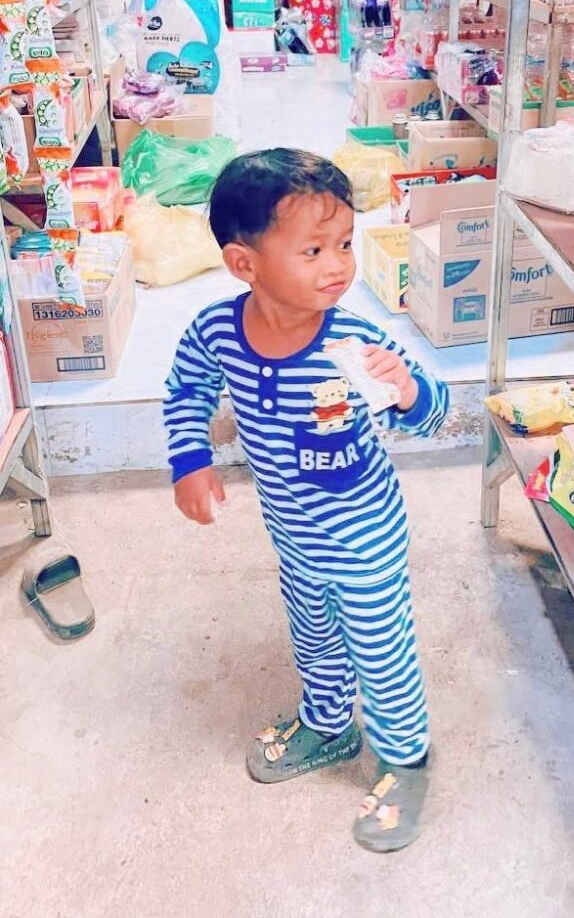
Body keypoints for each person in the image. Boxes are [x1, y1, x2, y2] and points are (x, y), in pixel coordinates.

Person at [163, 148, 450, 852]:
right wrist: (190, 462)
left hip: (366, 539)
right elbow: (185, 392)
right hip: (293, 536)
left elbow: (434, 411)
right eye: (314, 249)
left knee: (381, 651)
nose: (338, 265)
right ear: (245, 264)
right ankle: (327, 725)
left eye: (345, 244)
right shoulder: (216, 333)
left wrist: (408, 389)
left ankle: (405, 756)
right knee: (315, 638)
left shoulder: (355, 338)